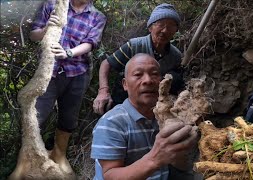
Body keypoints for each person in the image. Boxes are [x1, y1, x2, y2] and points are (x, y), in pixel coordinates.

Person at [91, 53, 198, 180]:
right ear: (125, 84)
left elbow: (180, 166)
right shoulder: (111, 123)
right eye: (138, 74)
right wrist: (155, 158)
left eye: (154, 74)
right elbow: (110, 176)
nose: (148, 80)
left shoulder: (169, 116)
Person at [29, 0, 106, 174]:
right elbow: (34, 34)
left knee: (69, 118)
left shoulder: (97, 16)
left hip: (77, 73)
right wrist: (46, 29)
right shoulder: (52, 4)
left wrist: (68, 52)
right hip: (48, 72)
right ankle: (32, 158)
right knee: (36, 117)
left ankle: (59, 155)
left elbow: (91, 43)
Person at [93, 3, 184, 115]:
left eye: (171, 26)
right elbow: (106, 64)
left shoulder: (176, 56)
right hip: (125, 97)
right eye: (160, 24)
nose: (165, 30)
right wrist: (103, 91)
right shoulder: (135, 45)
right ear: (150, 27)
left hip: (154, 103)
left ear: (176, 30)